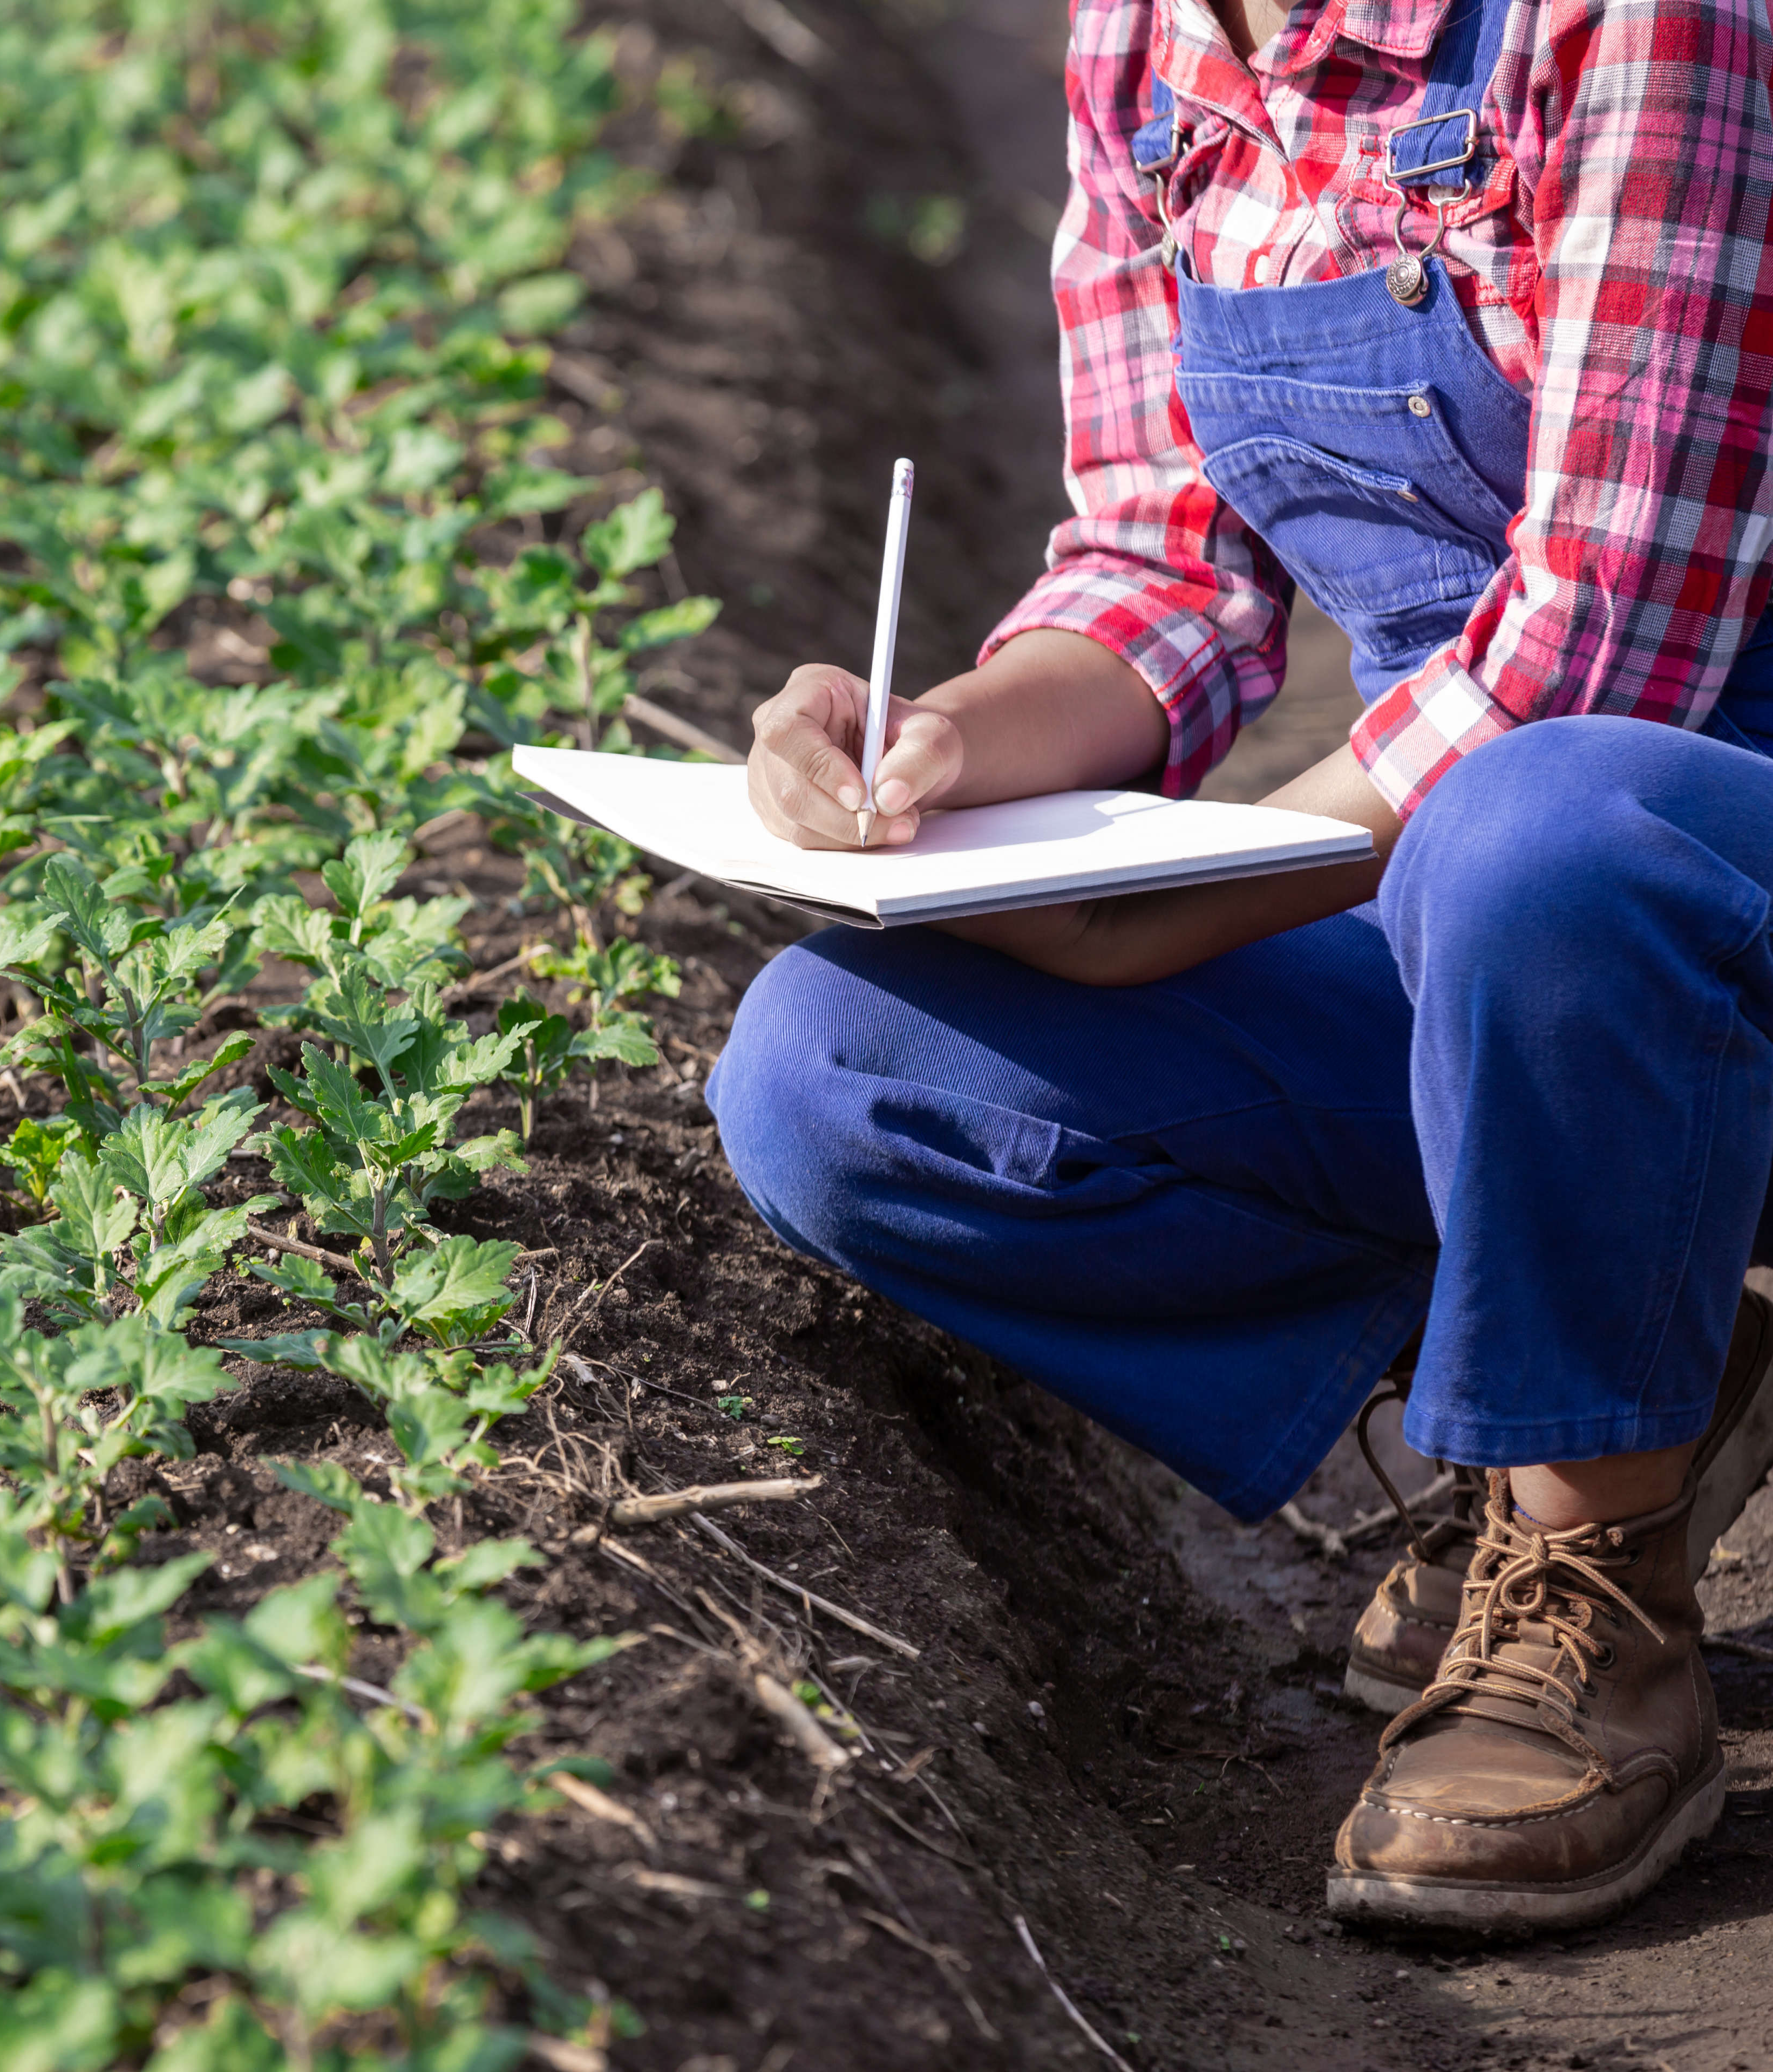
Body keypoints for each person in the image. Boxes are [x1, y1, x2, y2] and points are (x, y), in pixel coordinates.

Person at [707, 0, 1773, 1933]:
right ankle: (1597, 1372)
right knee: (840, 1071)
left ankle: (1595, 1590)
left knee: (1539, 833)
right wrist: (934, 749)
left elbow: (1611, 631)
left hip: (1682, 872)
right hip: (1492, 902)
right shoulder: (1151, 41)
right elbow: (1161, 566)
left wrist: (1211, 898)